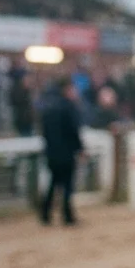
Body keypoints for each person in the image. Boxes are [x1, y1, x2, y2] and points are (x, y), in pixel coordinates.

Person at [39, 78, 84, 226]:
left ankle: (45, 213)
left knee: (53, 183)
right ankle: (67, 216)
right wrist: (80, 149)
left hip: (51, 153)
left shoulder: (48, 107)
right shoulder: (68, 108)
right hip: (66, 153)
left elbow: (44, 132)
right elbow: (73, 131)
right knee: (67, 185)